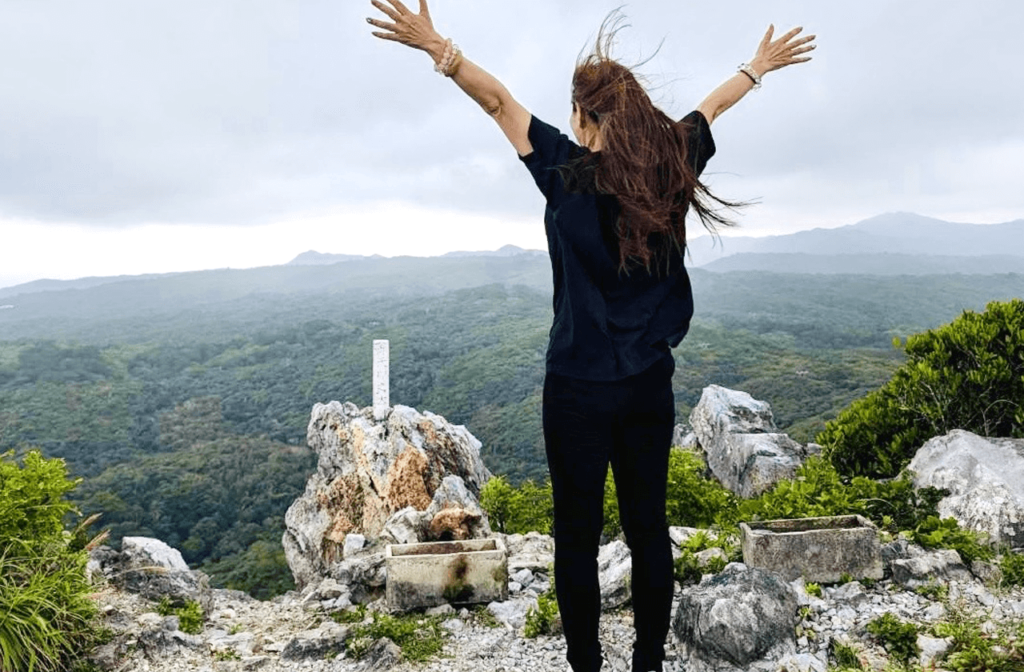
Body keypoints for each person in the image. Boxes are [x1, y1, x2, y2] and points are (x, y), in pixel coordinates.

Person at [366, 3, 815, 671]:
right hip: (646, 387)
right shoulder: (669, 159)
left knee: (575, 539)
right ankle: (648, 664)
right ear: (631, 111)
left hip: (576, 388)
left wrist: (440, 49)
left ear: (582, 117)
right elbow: (711, 109)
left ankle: (585, 666)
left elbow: (497, 102)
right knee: (647, 532)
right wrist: (757, 66)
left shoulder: (565, 173)